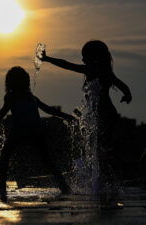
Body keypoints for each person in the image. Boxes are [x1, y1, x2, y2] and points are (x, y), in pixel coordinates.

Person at [41, 40, 132, 190]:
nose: (83, 60)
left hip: (104, 116)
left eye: (85, 57)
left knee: (101, 150)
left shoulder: (93, 71)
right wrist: (127, 96)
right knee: (101, 150)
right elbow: (124, 87)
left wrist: (48, 59)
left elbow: (67, 65)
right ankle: (105, 180)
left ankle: (105, 181)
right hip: (104, 115)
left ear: (94, 57)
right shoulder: (105, 72)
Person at [0, 66, 72, 202]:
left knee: (5, 156)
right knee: (47, 160)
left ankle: (2, 185)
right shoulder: (31, 96)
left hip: (19, 131)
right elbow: (49, 110)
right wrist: (67, 116)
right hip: (36, 131)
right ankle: (64, 185)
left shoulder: (11, 96)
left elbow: (2, 113)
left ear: (9, 82)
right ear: (26, 82)